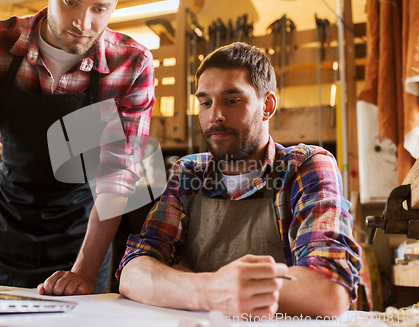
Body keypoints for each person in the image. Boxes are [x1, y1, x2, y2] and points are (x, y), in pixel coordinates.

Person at [116, 43, 361, 317]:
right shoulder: (189, 172)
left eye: (232, 101)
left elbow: (328, 290)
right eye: (206, 103)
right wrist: (210, 290)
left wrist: (176, 283)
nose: (215, 116)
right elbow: (133, 271)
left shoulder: (305, 166)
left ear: (267, 106)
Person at [0, 0, 155, 295]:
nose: (83, 23)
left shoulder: (132, 65)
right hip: (10, 234)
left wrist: (84, 273)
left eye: (99, 9)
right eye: (70, 2)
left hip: (83, 239)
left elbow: (116, 177)